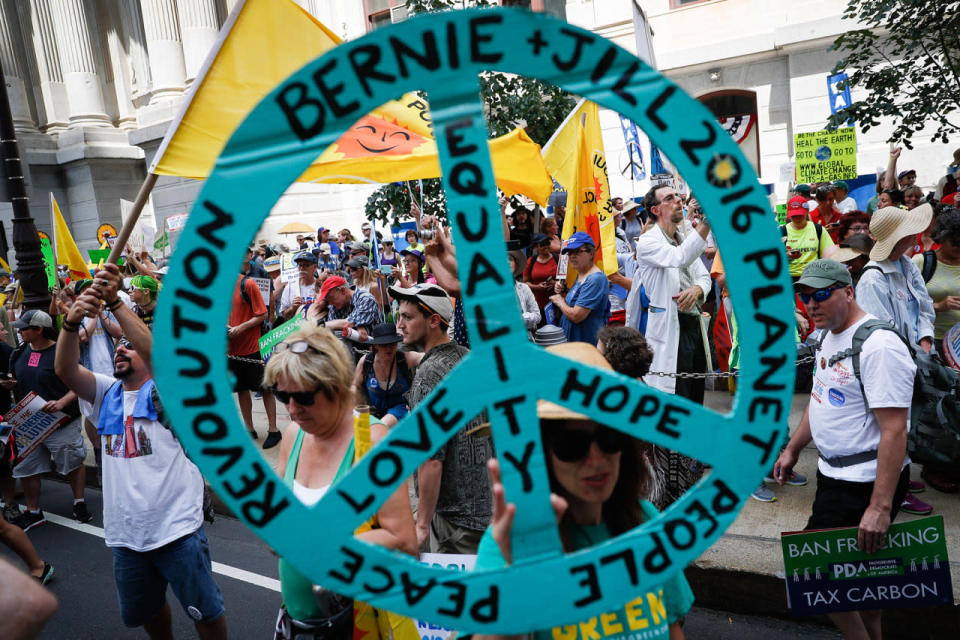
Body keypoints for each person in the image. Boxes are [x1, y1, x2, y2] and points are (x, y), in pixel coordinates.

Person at [474, 342, 694, 640]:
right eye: (571, 445)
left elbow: (673, 629)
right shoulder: (508, 544)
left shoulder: (646, 522)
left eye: (608, 437)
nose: (595, 460)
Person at [55, 263, 228, 639]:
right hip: (126, 535)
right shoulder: (107, 392)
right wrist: (70, 324)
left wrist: (115, 300)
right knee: (147, 611)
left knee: (205, 612)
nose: (121, 348)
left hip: (177, 530)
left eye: (129, 347)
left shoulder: (168, 391)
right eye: (119, 345)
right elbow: (66, 370)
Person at [774, 259, 914, 640]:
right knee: (863, 572)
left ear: (848, 292)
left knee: (812, 576)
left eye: (821, 295)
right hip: (833, 474)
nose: (811, 305)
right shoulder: (826, 336)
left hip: (863, 483)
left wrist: (879, 507)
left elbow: (895, 430)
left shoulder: (879, 346)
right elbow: (821, 400)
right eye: (805, 297)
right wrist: (793, 448)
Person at [264, 324, 416, 635]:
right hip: (298, 622)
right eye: (282, 396)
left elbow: (404, 541)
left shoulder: (372, 442)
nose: (292, 410)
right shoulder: (294, 435)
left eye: (304, 397)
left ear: (335, 386)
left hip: (355, 624)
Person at [389, 282, 492, 553]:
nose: (400, 324)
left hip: (454, 520)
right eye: (399, 316)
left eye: (408, 317)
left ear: (434, 320)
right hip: (485, 507)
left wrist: (421, 524)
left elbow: (431, 458)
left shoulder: (429, 374)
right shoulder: (467, 357)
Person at [856, 204, 936, 516]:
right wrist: (916, 355)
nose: (914, 238)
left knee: (905, 425)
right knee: (890, 429)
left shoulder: (907, 266)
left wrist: (926, 339)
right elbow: (884, 334)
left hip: (916, 360)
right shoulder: (873, 280)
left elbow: (924, 305)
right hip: (892, 367)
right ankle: (893, 489)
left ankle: (900, 476)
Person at [2, 310, 90, 531]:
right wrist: (11, 384)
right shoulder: (20, 352)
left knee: (72, 461)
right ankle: (33, 511)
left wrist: (61, 402)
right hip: (30, 423)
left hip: (61, 421)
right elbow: (17, 378)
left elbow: (79, 384)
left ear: (39, 329)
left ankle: (79, 502)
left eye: (24, 328)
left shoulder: (62, 352)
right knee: (29, 466)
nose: (19, 332)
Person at [636, 185, 712, 402]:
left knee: (696, 392)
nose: (678, 200)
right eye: (669, 198)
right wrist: (708, 221)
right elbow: (679, 257)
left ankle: (695, 434)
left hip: (694, 325)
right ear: (655, 210)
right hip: (671, 326)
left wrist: (698, 289)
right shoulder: (648, 242)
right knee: (678, 394)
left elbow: (704, 277)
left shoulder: (683, 237)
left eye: (678, 196)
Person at [912, 208, 960, 492]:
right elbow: (907, 303)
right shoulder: (923, 262)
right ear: (943, 238)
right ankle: (936, 466)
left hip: (959, 348)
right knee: (939, 411)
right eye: (956, 243)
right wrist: (938, 306)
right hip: (933, 348)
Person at [228, 262, 281, 450]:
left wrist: (239, 328)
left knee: (265, 388)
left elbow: (262, 314)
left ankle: (274, 429)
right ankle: (249, 429)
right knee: (242, 389)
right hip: (232, 351)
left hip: (254, 348)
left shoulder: (247, 284)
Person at [351, 323, 422, 428]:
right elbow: (355, 386)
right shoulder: (366, 362)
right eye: (384, 345)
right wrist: (355, 409)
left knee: (383, 425)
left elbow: (427, 357)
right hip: (374, 412)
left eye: (392, 344)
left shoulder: (404, 359)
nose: (389, 348)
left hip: (401, 409)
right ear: (376, 346)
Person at [549, 232, 609, 346]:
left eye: (577, 252)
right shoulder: (582, 273)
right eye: (570, 252)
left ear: (591, 253)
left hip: (585, 344)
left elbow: (576, 316)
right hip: (575, 343)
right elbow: (577, 300)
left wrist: (560, 301)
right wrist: (563, 293)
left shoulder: (595, 279)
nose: (572, 256)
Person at [783, 195, 834, 280]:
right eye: (794, 215)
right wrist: (786, 256)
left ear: (807, 211)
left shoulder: (819, 229)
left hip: (814, 276)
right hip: (789, 278)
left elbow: (830, 254)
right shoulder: (781, 232)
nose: (797, 218)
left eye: (800, 214)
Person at [320, 275, 383, 341]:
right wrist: (357, 325)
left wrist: (322, 325)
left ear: (343, 291)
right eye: (327, 300)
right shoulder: (335, 305)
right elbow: (333, 327)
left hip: (377, 347)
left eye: (331, 297)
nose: (330, 302)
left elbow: (348, 323)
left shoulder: (365, 299)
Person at [522, 233, 558, 318]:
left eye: (547, 243)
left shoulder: (558, 258)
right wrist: (537, 287)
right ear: (536, 247)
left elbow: (566, 280)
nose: (546, 246)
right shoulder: (531, 261)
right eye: (542, 244)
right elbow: (525, 283)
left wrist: (556, 284)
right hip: (537, 306)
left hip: (556, 304)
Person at [507, 252, 540, 336]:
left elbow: (537, 316)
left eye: (510, 259)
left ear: (516, 264)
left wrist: (521, 317)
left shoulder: (524, 288)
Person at [279, 251, 318, 320]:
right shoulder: (290, 287)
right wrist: (293, 308)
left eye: (306, 265)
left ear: (315, 267)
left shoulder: (320, 286)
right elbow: (284, 316)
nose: (302, 268)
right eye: (300, 265)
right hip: (297, 328)